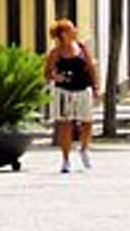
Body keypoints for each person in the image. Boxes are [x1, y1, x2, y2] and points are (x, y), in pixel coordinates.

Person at [43, 19, 100, 173]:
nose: (75, 31)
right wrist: (56, 77)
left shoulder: (81, 48)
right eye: (71, 29)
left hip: (83, 88)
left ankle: (84, 149)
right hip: (64, 91)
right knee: (65, 124)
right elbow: (47, 73)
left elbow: (91, 67)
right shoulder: (56, 53)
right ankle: (66, 159)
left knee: (87, 122)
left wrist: (96, 87)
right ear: (62, 34)